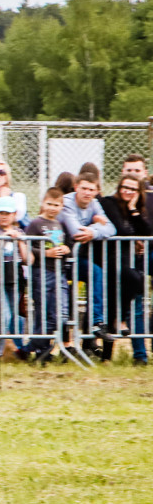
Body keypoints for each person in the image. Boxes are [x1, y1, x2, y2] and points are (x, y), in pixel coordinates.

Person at [58, 171, 117, 347]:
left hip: (75, 259)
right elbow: (76, 231)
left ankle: (97, 322)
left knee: (96, 272)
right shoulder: (67, 202)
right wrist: (96, 226)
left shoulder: (95, 204)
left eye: (91, 189)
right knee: (62, 297)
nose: (87, 193)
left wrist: (93, 232)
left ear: (96, 191)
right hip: (58, 259)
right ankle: (62, 344)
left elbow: (111, 229)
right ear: (76, 187)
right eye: (84, 188)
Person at [97, 174, 150, 360]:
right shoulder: (109, 203)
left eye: (133, 189)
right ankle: (117, 323)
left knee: (116, 300)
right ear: (119, 187)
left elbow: (147, 232)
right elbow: (121, 230)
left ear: (138, 192)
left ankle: (107, 354)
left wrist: (133, 209)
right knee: (113, 299)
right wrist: (133, 237)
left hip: (127, 261)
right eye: (125, 187)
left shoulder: (134, 209)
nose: (128, 191)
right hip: (110, 260)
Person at [24, 188, 72, 362]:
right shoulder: (35, 224)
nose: (52, 208)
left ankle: (28, 347)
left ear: (61, 206)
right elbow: (27, 246)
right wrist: (47, 253)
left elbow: (65, 245)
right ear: (43, 203)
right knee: (42, 313)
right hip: (41, 272)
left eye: (56, 205)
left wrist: (66, 249)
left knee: (61, 315)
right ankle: (42, 352)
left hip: (58, 272)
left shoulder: (60, 225)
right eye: (49, 204)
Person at [0, 196, 34, 359]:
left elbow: (29, 259)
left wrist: (19, 241)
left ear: (15, 214)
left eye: (8, 213)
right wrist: (2, 239)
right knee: (3, 314)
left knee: (13, 316)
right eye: (1, 213)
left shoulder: (20, 231)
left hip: (15, 279)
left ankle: (18, 350)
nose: (4, 216)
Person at [120, 154, 153, 364]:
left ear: (145, 173)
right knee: (137, 304)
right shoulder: (120, 198)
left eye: (137, 170)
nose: (133, 174)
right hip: (135, 257)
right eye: (129, 170)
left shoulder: (151, 197)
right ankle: (139, 354)